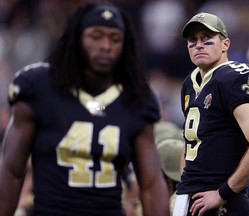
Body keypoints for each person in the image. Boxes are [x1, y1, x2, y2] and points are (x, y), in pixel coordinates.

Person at [0, 1, 170, 216]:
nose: (106, 46)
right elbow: (12, 171)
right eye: (96, 36)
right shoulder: (38, 86)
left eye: (115, 39)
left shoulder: (136, 98)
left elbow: (151, 183)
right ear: (77, 39)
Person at [173, 12, 249, 216]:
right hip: (192, 200)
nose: (199, 44)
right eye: (192, 40)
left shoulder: (235, 78)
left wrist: (223, 193)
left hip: (224, 204)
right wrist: (183, 190)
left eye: (206, 38)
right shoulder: (190, 83)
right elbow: (190, 142)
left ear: (225, 44)